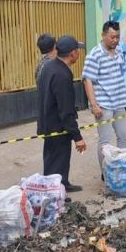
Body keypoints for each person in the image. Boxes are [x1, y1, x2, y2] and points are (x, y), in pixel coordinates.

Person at [37, 36, 87, 193]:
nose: (79, 53)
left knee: (54, 159)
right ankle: (55, 196)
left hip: (47, 123)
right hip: (57, 126)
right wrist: (77, 137)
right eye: (77, 50)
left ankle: (62, 184)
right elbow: (65, 110)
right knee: (57, 161)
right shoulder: (62, 75)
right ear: (72, 54)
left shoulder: (49, 66)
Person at [82, 20, 126, 174]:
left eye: (117, 37)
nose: (115, 40)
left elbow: (120, 73)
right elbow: (87, 80)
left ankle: (121, 169)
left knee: (123, 136)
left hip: (119, 102)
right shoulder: (95, 55)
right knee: (105, 141)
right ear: (103, 35)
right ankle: (106, 174)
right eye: (112, 37)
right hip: (104, 105)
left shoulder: (119, 51)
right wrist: (94, 105)